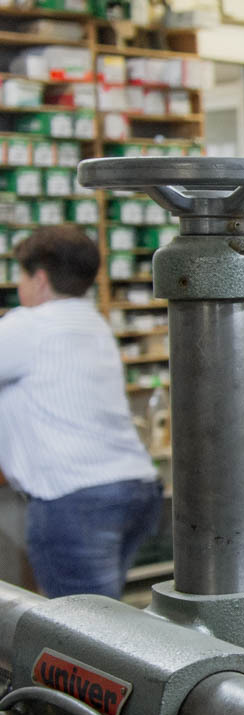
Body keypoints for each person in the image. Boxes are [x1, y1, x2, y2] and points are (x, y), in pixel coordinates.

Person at [0, 225, 163, 599]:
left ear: (40, 279)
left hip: (76, 499)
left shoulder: (29, 326)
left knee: (84, 625)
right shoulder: (94, 323)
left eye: (21, 276)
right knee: (105, 613)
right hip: (135, 488)